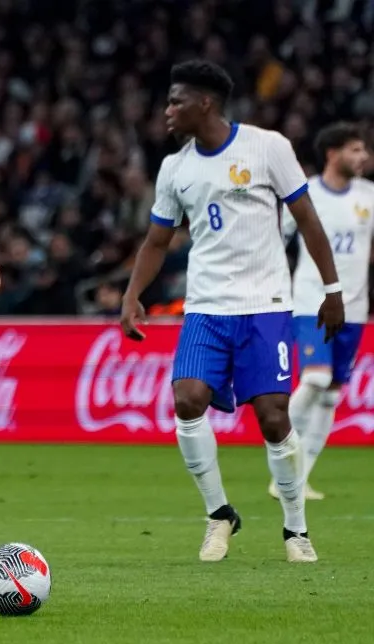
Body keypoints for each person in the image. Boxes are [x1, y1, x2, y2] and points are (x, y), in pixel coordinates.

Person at [119, 61, 345, 564]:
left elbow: (307, 219)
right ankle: (219, 514)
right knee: (187, 400)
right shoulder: (175, 167)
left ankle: (295, 530)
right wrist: (133, 294)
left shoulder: (267, 148)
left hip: (265, 307)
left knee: (272, 417)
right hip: (206, 308)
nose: (168, 110)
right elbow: (158, 240)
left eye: (177, 101)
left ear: (207, 103)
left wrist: (332, 289)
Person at [273, 122, 373, 501]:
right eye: (355, 149)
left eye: (363, 150)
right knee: (315, 379)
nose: (363, 157)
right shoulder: (306, 193)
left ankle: (299, 479)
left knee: (330, 395)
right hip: (311, 301)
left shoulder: (368, 196)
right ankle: (279, 457)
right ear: (333, 153)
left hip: (356, 307)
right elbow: (275, 239)